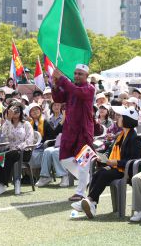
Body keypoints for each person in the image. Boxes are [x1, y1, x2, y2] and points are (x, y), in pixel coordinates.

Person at [71, 106, 141, 218]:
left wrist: (115, 162)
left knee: (104, 173)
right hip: (116, 168)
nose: (117, 119)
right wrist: (103, 157)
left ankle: (90, 201)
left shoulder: (135, 138)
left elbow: (133, 160)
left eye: (120, 117)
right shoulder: (120, 135)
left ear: (127, 120)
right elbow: (110, 150)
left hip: (125, 170)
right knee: (97, 174)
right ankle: (91, 203)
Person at [52, 64, 95, 202]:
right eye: (75, 73)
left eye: (80, 74)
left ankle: (81, 192)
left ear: (87, 76)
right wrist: (55, 85)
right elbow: (58, 98)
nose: (76, 76)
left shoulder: (90, 89)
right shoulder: (71, 87)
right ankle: (87, 180)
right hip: (69, 130)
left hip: (84, 131)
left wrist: (62, 79)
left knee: (83, 163)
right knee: (64, 159)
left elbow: (77, 92)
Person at [0, 102, 34, 195]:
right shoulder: (7, 123)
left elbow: (29, 140)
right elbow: (4, 135)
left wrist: (18, 148)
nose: (16, 110)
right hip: (10, 151)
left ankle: (2, 184)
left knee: (10, 154)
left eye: (18, 108)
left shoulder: (26, 124)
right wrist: (8, 119)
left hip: (24, 151)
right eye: (13, 109)